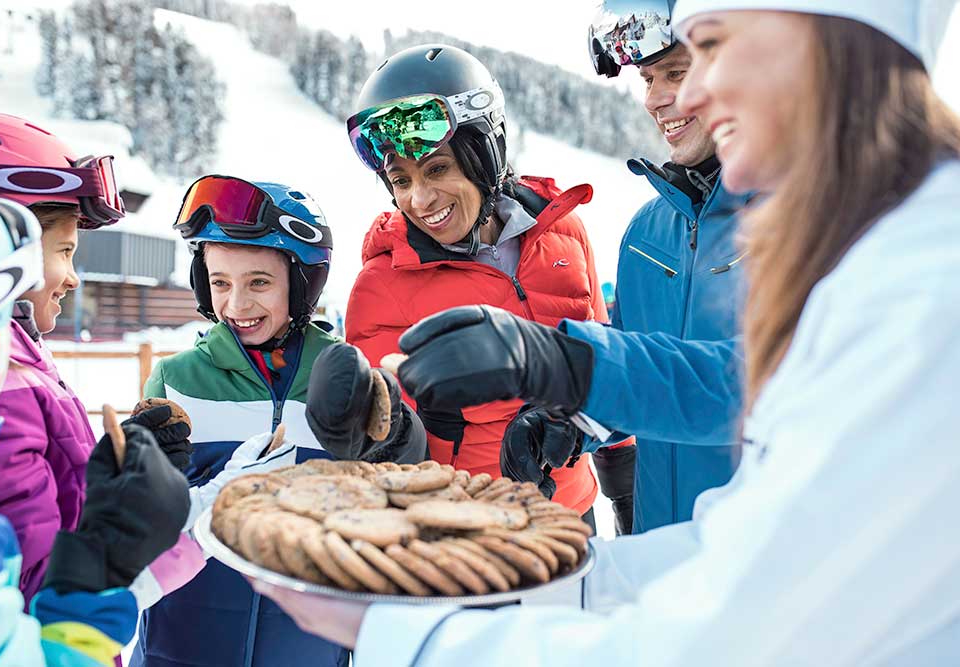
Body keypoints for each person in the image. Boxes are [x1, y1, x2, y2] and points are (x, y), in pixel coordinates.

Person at [255, 1, 960, 663]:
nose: (683, 97)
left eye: (705, 50)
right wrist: (516, 575)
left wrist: (418, 628)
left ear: (819, 38)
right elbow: (733, 542)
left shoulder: (925, 289)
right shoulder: (886, 259)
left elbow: (722, 636)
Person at [131, 175, 423, 667]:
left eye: (259, 283)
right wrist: (141, 470)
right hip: (181, 645)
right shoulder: (175, 379)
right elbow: (140, 522)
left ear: (303, 282)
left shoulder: (344, 378)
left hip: (307, 646)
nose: (237, 305)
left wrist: (395, 438)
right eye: (220, 283)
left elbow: (399, 495)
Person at [336, 43, 610, 522]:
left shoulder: (564, 233)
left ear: (484, 153)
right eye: (400, 181)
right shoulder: (382, 284)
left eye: (437, 168)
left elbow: (608, 364)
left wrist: (621, 478)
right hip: (469, 529)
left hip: (572, 516)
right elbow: (387, 437)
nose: (420, 199)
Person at [521, 0, 748, 537]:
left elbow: (764, 387)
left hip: (762, 569)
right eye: (647, 78)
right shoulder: (648, 232)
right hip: (656, 552)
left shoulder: (806, 222)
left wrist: (577, 369)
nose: (654, 99)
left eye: (677, 72)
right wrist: (571, 419)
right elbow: (635, 365)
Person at [0, 111, 202, 609]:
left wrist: (111, 477)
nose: (72, 277)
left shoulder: (13, 363)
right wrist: (131, 530)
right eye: (64, 250)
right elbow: (38, 599)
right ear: (3, 243)